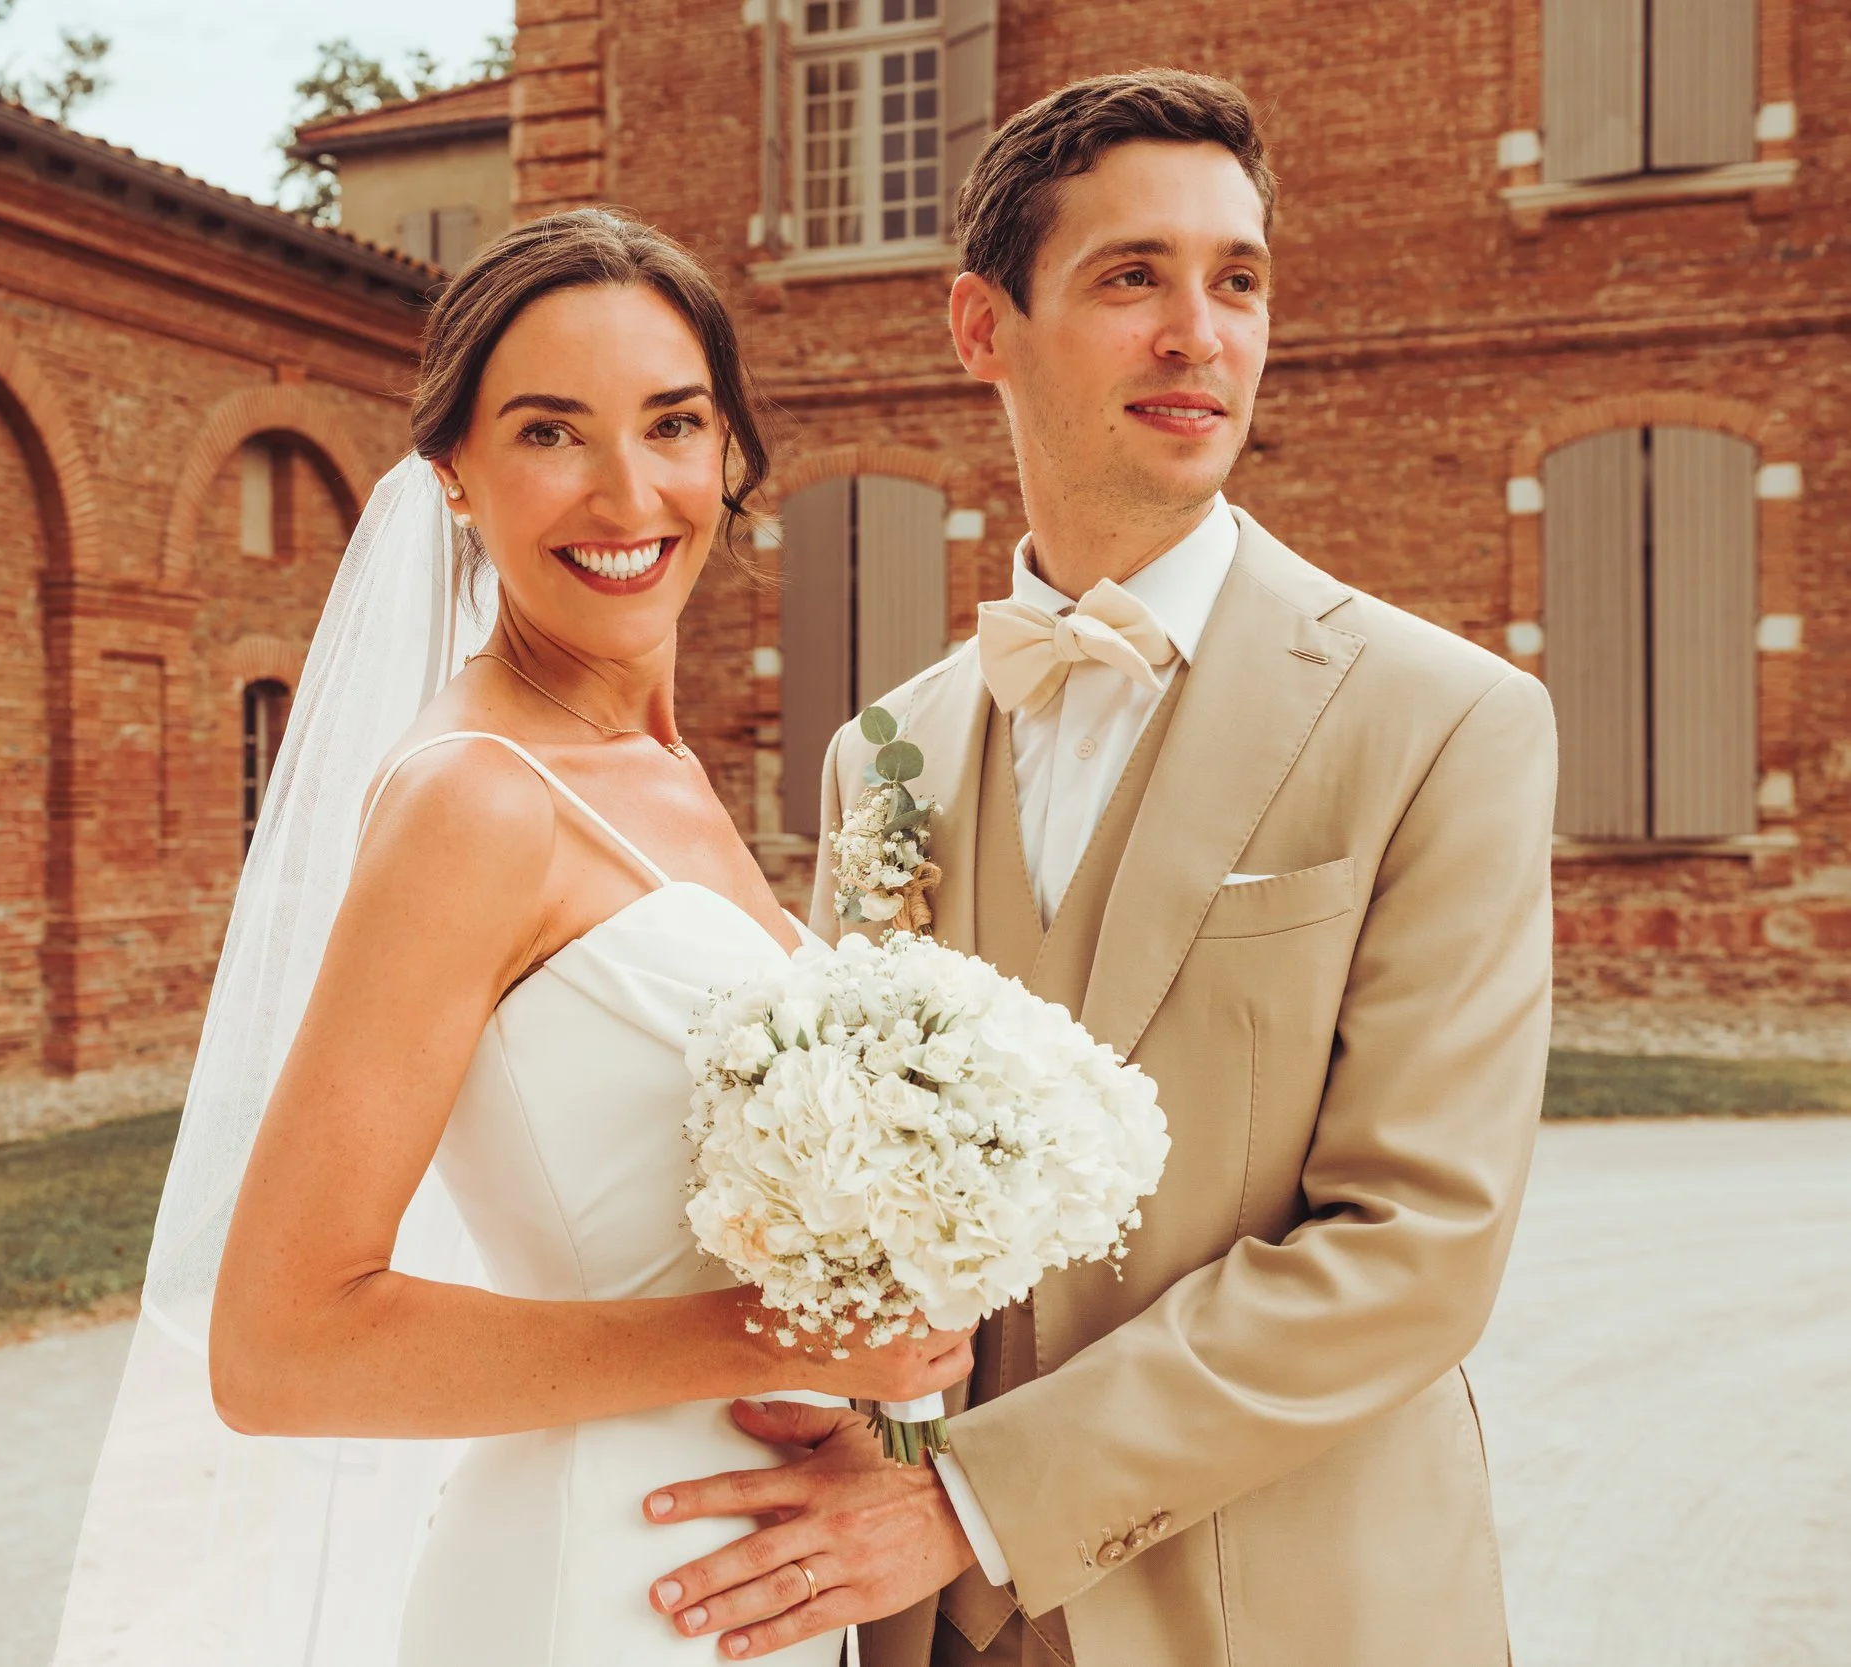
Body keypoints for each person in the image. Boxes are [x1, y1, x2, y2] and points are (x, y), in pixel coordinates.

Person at [640, 69, 1557, 1667]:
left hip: (1291, 1615)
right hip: (938, 1633)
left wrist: (976, 1502)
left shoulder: (1446, 721)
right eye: (1134, 275)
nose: (1200, 334)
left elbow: (1416, 1246)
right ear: (980, 328)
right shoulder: (886, 759)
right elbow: (844, 1207)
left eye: (1240, 281)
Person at [53, 209, 972, 1667]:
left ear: (732, 454)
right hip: (593, 1588)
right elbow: (280, 1345)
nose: (627, 492)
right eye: (553, 434)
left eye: (672, 423)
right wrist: (767, 1341)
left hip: (750, 1575)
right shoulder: (473, 799)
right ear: (455, 480)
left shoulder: (663, 774)